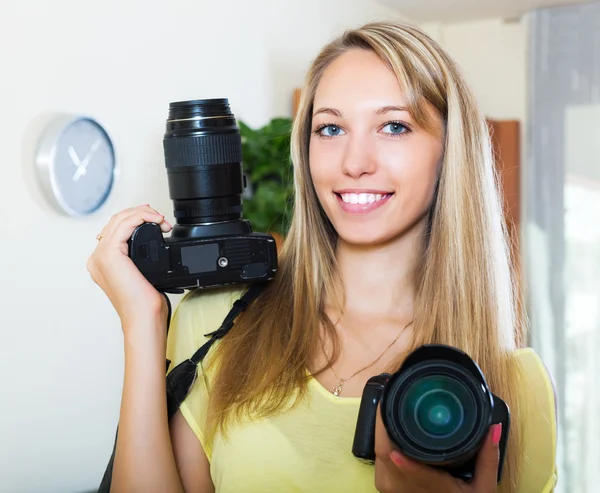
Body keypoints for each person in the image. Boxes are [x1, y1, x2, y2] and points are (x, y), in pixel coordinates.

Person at [87, 20, 558, 493]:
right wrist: (142, 327)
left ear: (449, 151)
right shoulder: (219, 319)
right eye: (330, 128)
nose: (354, 162)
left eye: (394, 127)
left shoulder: (517, 386)